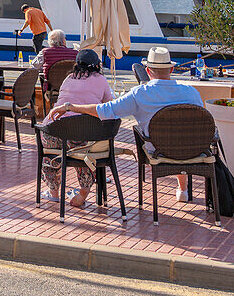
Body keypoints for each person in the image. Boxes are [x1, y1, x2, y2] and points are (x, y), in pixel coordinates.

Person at [50, 47, 204, 201]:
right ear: (171, 69)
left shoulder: (140, 93)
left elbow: (105, 110)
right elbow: (201, 120)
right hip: (189, 149)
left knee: (162, 137)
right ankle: (183, 190)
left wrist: (70, 107)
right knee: (177, 132)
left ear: (148, 71)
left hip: (157, 150)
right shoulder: (191, 92)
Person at [38, 49, 114, 207]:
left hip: (56, 133)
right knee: (86, 152)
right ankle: (83, 193)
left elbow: (61, 101)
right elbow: (109, 106)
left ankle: (53, 192)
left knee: (49, 152)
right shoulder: (101, 80)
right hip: (83, 137)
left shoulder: (68, 78)